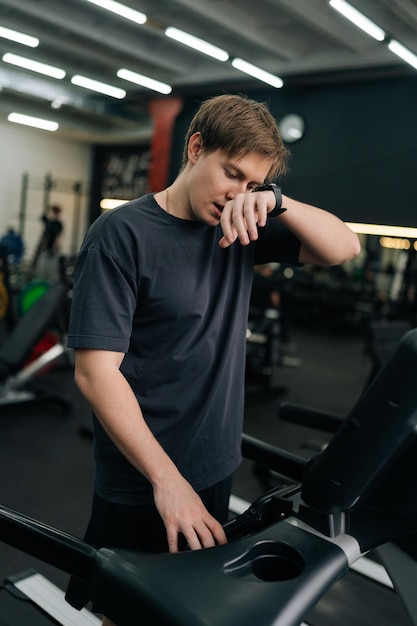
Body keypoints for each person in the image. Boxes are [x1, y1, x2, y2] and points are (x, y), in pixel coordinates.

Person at [65, 94, 360, 623]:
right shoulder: (121, 235)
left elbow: (343, 248)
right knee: (128, 610)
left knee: (188, 608)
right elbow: (94, 371)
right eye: (232, 174)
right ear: (195, 147)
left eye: (253, 184)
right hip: (144, 473)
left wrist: (278, 203)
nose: (238, 195)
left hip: (214, 462)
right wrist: (166, 481)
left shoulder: (242, 227)